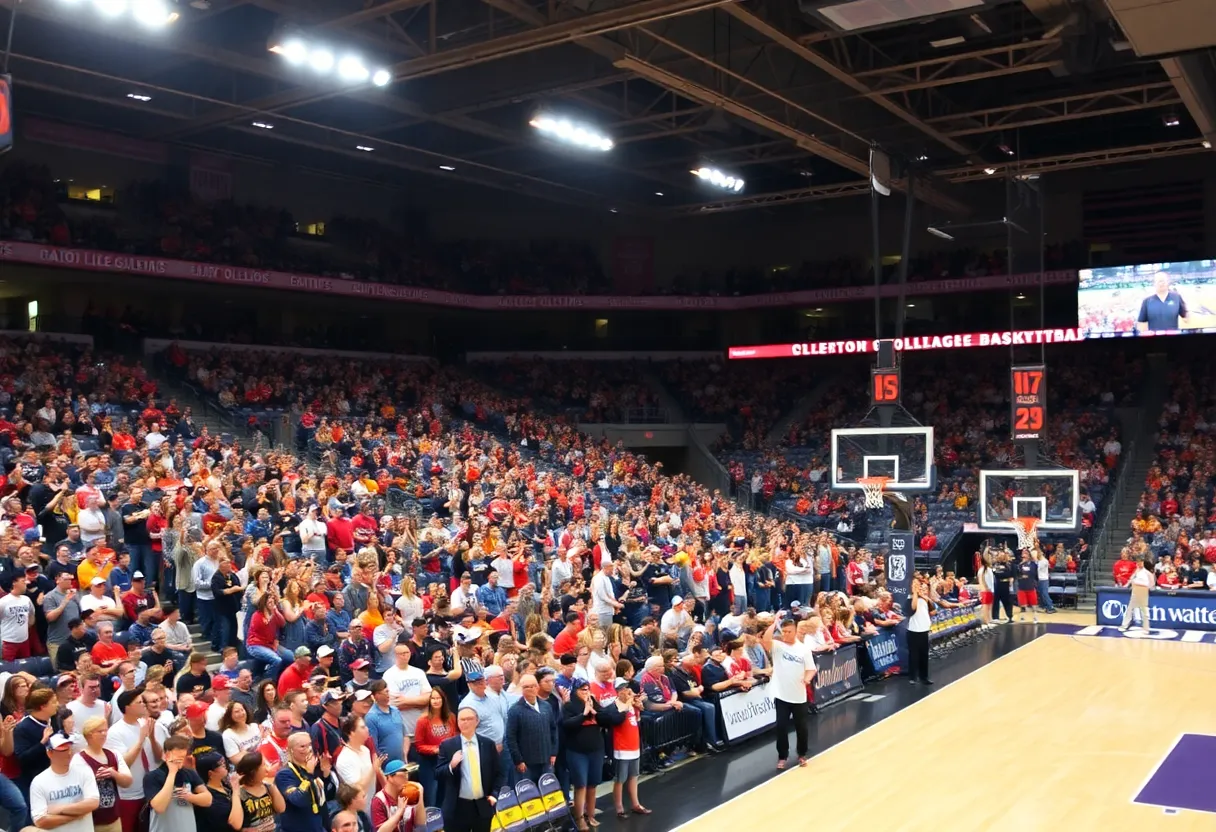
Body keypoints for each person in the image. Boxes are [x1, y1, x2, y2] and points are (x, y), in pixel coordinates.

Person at [760, 612, 814, 770]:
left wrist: (807, 679)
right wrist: (774, 622)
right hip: (781, 695)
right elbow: (766, 640)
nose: (786, 634)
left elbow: (810, 669)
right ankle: (782, 756)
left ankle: (802, 754)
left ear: (795, 631)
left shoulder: (803, 649)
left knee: (801, 727)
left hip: (798, 696)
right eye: (784, 631)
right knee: (781, 726)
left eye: (789, 631)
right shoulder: (777, 646)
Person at [436, 708, 502, 832]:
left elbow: (499, 772)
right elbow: (438, 774)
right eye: (462, 719)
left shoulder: (488, 744)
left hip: (482, 805)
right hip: (457, 807)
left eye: (469, 719)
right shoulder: (448, 745)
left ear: (477, 721)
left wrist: (494, 794)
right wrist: (451, 765)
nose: (465, 722)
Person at [106, 687, 162, 832]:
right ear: (128, 708)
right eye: (139, 702)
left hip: (153, 790)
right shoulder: (115, 732)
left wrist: (152, 738)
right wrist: (141, 739)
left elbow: (158, 758)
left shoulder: (146, 724)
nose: (144, 705)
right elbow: (123, 763)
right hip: (130, 794)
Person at [560, 678, 607, 832]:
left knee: (593, 784)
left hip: (596, 749)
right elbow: (567, 724)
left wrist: (595, 712)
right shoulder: (569, 705)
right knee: (581, 785)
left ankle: (590, 814)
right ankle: (579, 819)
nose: (586, 692)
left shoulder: (593, 701)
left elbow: (605, 719)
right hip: (577, 751)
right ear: (575, 691)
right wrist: (584, 713)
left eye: (587, 689)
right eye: (582, 689)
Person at [29, 732, 100, 832]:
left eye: (69, 748)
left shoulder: (84, 771)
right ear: (50, 753)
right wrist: (75, 816)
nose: (69, 753)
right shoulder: (39, 782)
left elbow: (93, 802)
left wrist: (59, 809)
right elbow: (40, 820)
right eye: (63, 749)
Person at [601, 680, 648, 819]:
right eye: (623, 689)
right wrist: (628, 705)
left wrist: (639, 705)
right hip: (621, 748)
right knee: (620, 779)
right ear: (618, 691)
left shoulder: (632, 704)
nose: (626, 691)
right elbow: (616, 720)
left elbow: (637, 721)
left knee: (634, 776)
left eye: (627, 688)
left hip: (634, 745)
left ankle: (635, 804)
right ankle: (619, 808)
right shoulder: (613, 707)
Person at [146, 735, 212, 832]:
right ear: (166, 755)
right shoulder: (152, 777)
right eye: (177, 758)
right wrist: (172, 773)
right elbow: (159, 807)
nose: (180, 762)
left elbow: (208, 799)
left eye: (183, 758)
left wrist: (190, 797)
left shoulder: (189, 773)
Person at [78, 715, 133, 832]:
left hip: (113, 818)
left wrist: (114, 774)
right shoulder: (78, 760)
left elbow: (128, 781)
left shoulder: (113, 754)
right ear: (89, 734)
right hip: (90, 821)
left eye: (105, 730)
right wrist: (93, 778)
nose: (104, 734)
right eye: (100, 731)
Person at [275, 731, 338, 832]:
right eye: (302, 746)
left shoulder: (311, 767)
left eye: (309, 745)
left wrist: (326, 775)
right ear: (291, 750)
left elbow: (325, 798)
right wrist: (309, 775)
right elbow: (299, 800)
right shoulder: (284, 774)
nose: (308, 749)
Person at [504, 674, 555, 783]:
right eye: (526, 687)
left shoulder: (546, 706)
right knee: (529, 797)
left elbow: (553, 730)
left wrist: (554, 753)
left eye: (533, 686)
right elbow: (511, 737)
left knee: (549, 794)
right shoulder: (515, 710)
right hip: (526, 764)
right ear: (521, 689)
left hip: (546, 761)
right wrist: (518, 761)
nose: (531, 689)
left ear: (538, 687)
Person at [232, 751, 286, 832]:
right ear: (254, 771)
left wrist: (272, 786)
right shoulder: (240, 793)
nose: (267, 767)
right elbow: (235, 824)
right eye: (264, 764)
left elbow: (281, 808)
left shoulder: (268, 787)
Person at [370, 759, 426, 832]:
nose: (406, 778)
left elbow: (421, 827)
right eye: (403, 774)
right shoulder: (379, 800)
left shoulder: (410, 793)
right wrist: (399, 812)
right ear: (390, 777)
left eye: (407, 773)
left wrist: (420, 795)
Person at [907, 576, 933, 685]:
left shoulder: (925, 599)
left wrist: (924, 596)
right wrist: (915, 594)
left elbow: (933, 611)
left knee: (924, 655)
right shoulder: (910, 598)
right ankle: (913, 677)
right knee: (914, 655)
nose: (918, 587)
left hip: (924, 630)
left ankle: (924, 676)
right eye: (915, 585)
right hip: (914, 630)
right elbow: (913, 608)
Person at [1120, 557, 1156, 632]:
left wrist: (1147, 587)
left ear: (1143, 563)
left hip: (1143, 592)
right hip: (1135, 591)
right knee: (1130, 609)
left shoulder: (1147, 573)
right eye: (1138, 562)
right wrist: (1127, 585)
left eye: (1140, 562)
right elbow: (1131, 579)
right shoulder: (1136, 571)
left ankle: (1146, 628)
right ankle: (1124, 625)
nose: (1139, 564)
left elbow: (1152, 583)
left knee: (1144, 610)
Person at [1015, 550, 1039, 624]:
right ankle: (1022, 617)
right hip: (1022, 587)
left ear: (1029, 556)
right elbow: (1016, 574)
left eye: (1026, 554)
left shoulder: (1033, 564)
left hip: (1030, 586)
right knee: (1023, 604)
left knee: (1034, 604)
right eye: (1023, 554)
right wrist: (1021, 575)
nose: (1024, 555)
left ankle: (1035, 617)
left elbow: (1033, 573)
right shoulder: (1019, 565)